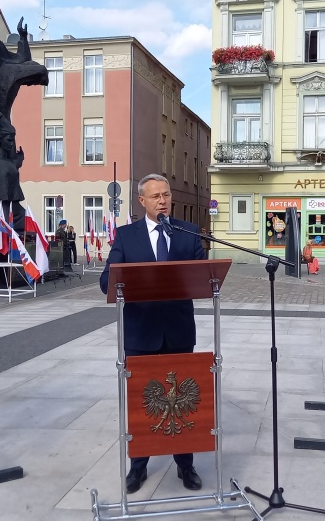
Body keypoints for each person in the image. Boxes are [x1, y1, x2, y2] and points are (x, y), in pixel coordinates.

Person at [100, 174, 205, 494]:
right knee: (142, 403)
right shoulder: (126, 236)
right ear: (141, 201)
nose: (163, 200)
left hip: (178, 331)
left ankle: (185, 465)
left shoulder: (188, 232)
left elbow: (203, 274)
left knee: (183, 407)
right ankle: (138, 467)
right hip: (141, 332)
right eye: (155, 196)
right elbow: (107, 281)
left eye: (166, 194)